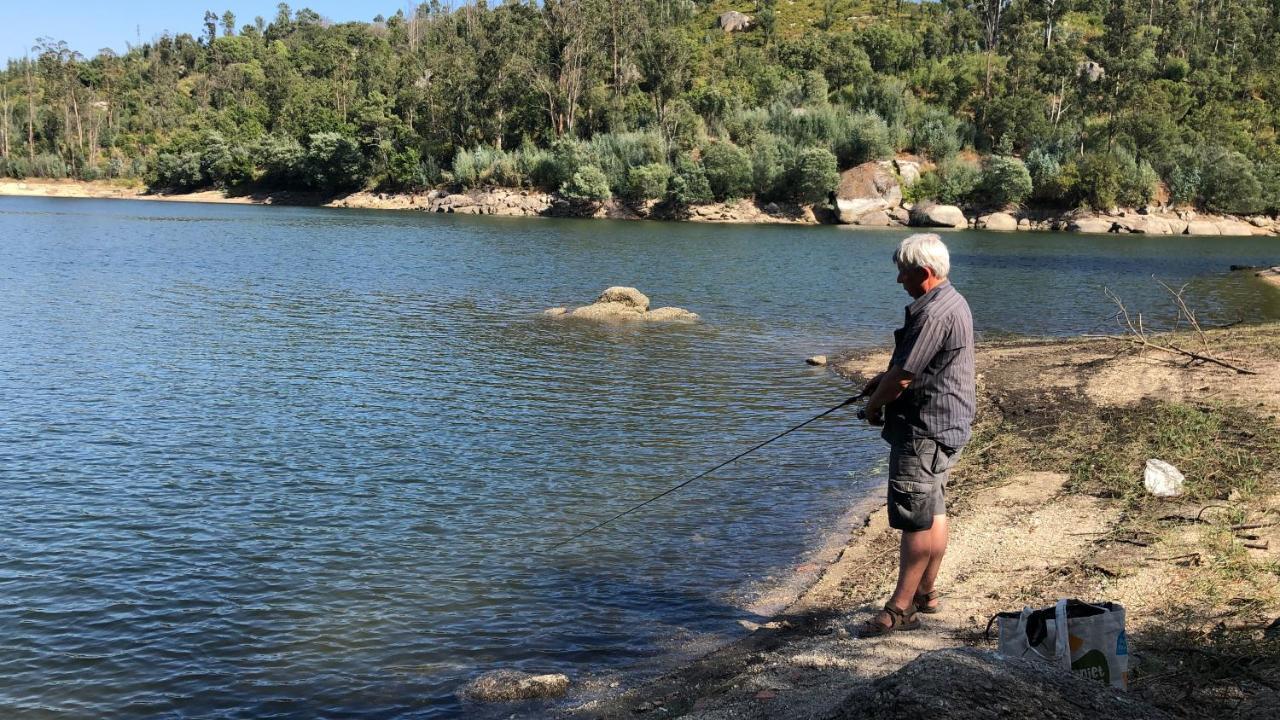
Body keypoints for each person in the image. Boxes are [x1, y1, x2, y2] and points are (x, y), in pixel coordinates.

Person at [857, 233, 975, 636]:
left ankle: (900, 607)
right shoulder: (952, 300)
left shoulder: (934, 313)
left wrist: (875, 406)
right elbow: (912, 365)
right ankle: (927, 592)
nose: (898, 281)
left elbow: (905, 377)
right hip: (948, 424)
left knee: (914, 520)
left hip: (924, 430)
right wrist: (881, 379)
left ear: (924, 273)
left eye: (903, 274)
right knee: (934, 509)